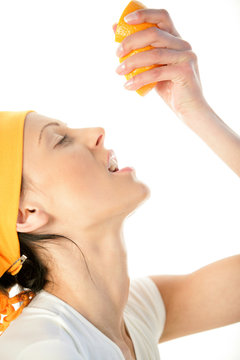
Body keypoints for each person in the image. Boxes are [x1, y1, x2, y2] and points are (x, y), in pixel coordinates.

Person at [0, 6, 239, 360]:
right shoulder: (42, 349)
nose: (96, 132)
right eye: (60, 140)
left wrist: (194, 110)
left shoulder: (134, 315)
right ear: (26, 213)